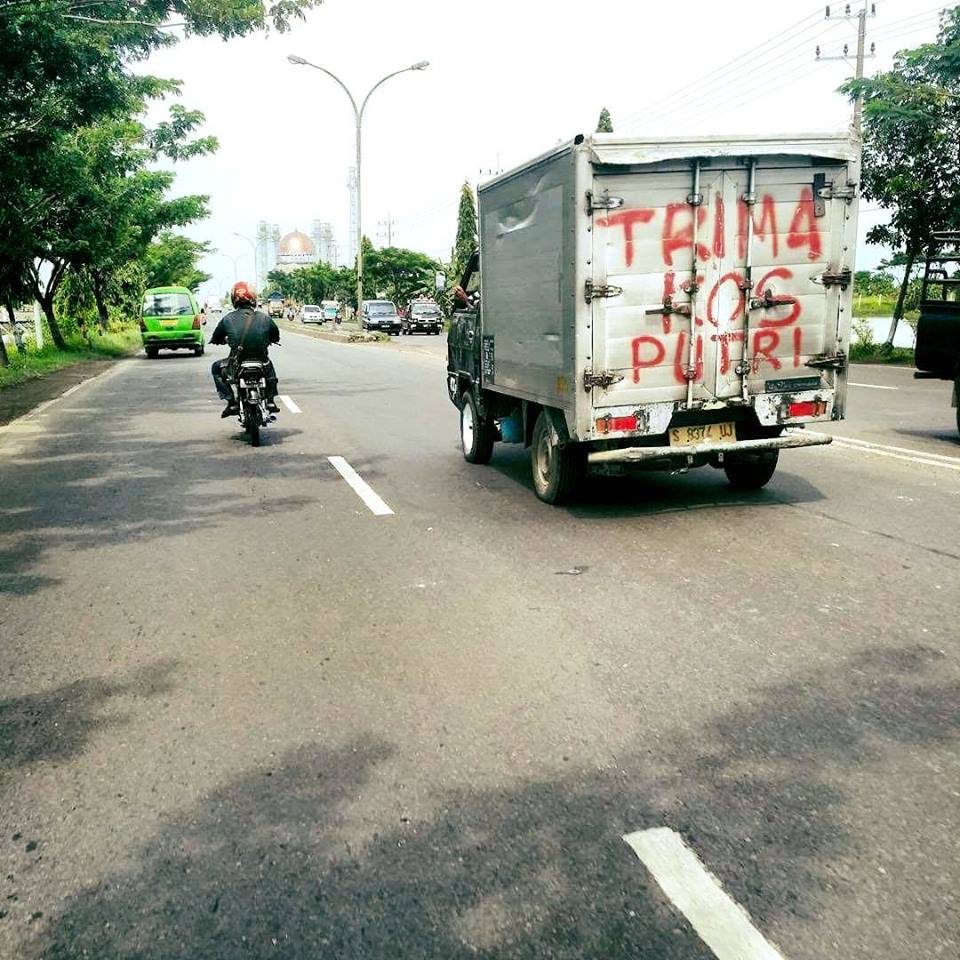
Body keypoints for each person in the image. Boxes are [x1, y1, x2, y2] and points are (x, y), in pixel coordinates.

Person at [210, 281, 281, 417]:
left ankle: (231, 402)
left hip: (237, 363)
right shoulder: (265, 318)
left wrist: (220, 341)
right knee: (269, 365)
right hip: (261, 361)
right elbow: (275, 336)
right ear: (253, 299)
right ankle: (271, 400)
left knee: (216, 368)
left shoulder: (227, 319)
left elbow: (216, 337)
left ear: (234, 300)